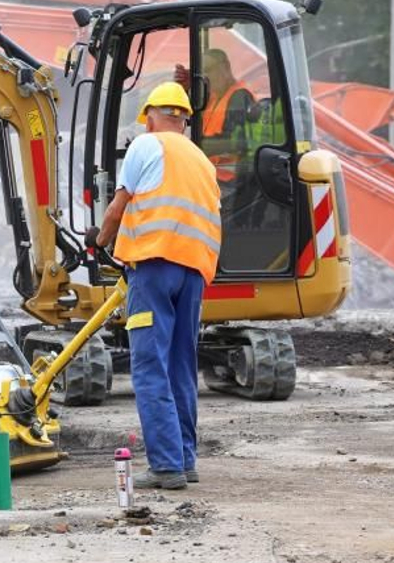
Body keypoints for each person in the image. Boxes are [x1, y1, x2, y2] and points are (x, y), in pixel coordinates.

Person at [87, 82, 221, 490]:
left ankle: (165, 467)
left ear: (150, 116)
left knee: (149, 367)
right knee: (181, 365)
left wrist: (98, 242)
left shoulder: (146, 147)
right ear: (184, 121)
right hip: (193, 273)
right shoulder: (201, 160)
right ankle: (185, 459)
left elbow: (116, 207)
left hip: (154, 268)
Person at [174, 49, 254, 180]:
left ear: (225, 67)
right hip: (209, 174)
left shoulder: (240, 97)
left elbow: (233, 142)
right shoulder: (212, 98)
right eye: (202, 72)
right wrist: (185, 88)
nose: (205, 76)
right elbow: (186, 121)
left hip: (230, 182)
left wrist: (190, 147)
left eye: (208, 70)